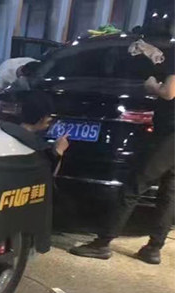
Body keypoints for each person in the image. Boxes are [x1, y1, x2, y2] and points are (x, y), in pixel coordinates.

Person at [69, 44, 175, 264]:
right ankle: (153, 248)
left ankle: (102, 243)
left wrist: (152, 85)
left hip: (169, 134)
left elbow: (169, 92)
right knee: (169, 192)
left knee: (134, 185)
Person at [0, 91, 70, 170]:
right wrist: (59, 150)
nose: (50, 119)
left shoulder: (4, 130)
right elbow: (46, 174)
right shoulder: (38, 147)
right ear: (43, 118)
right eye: (48, 115)